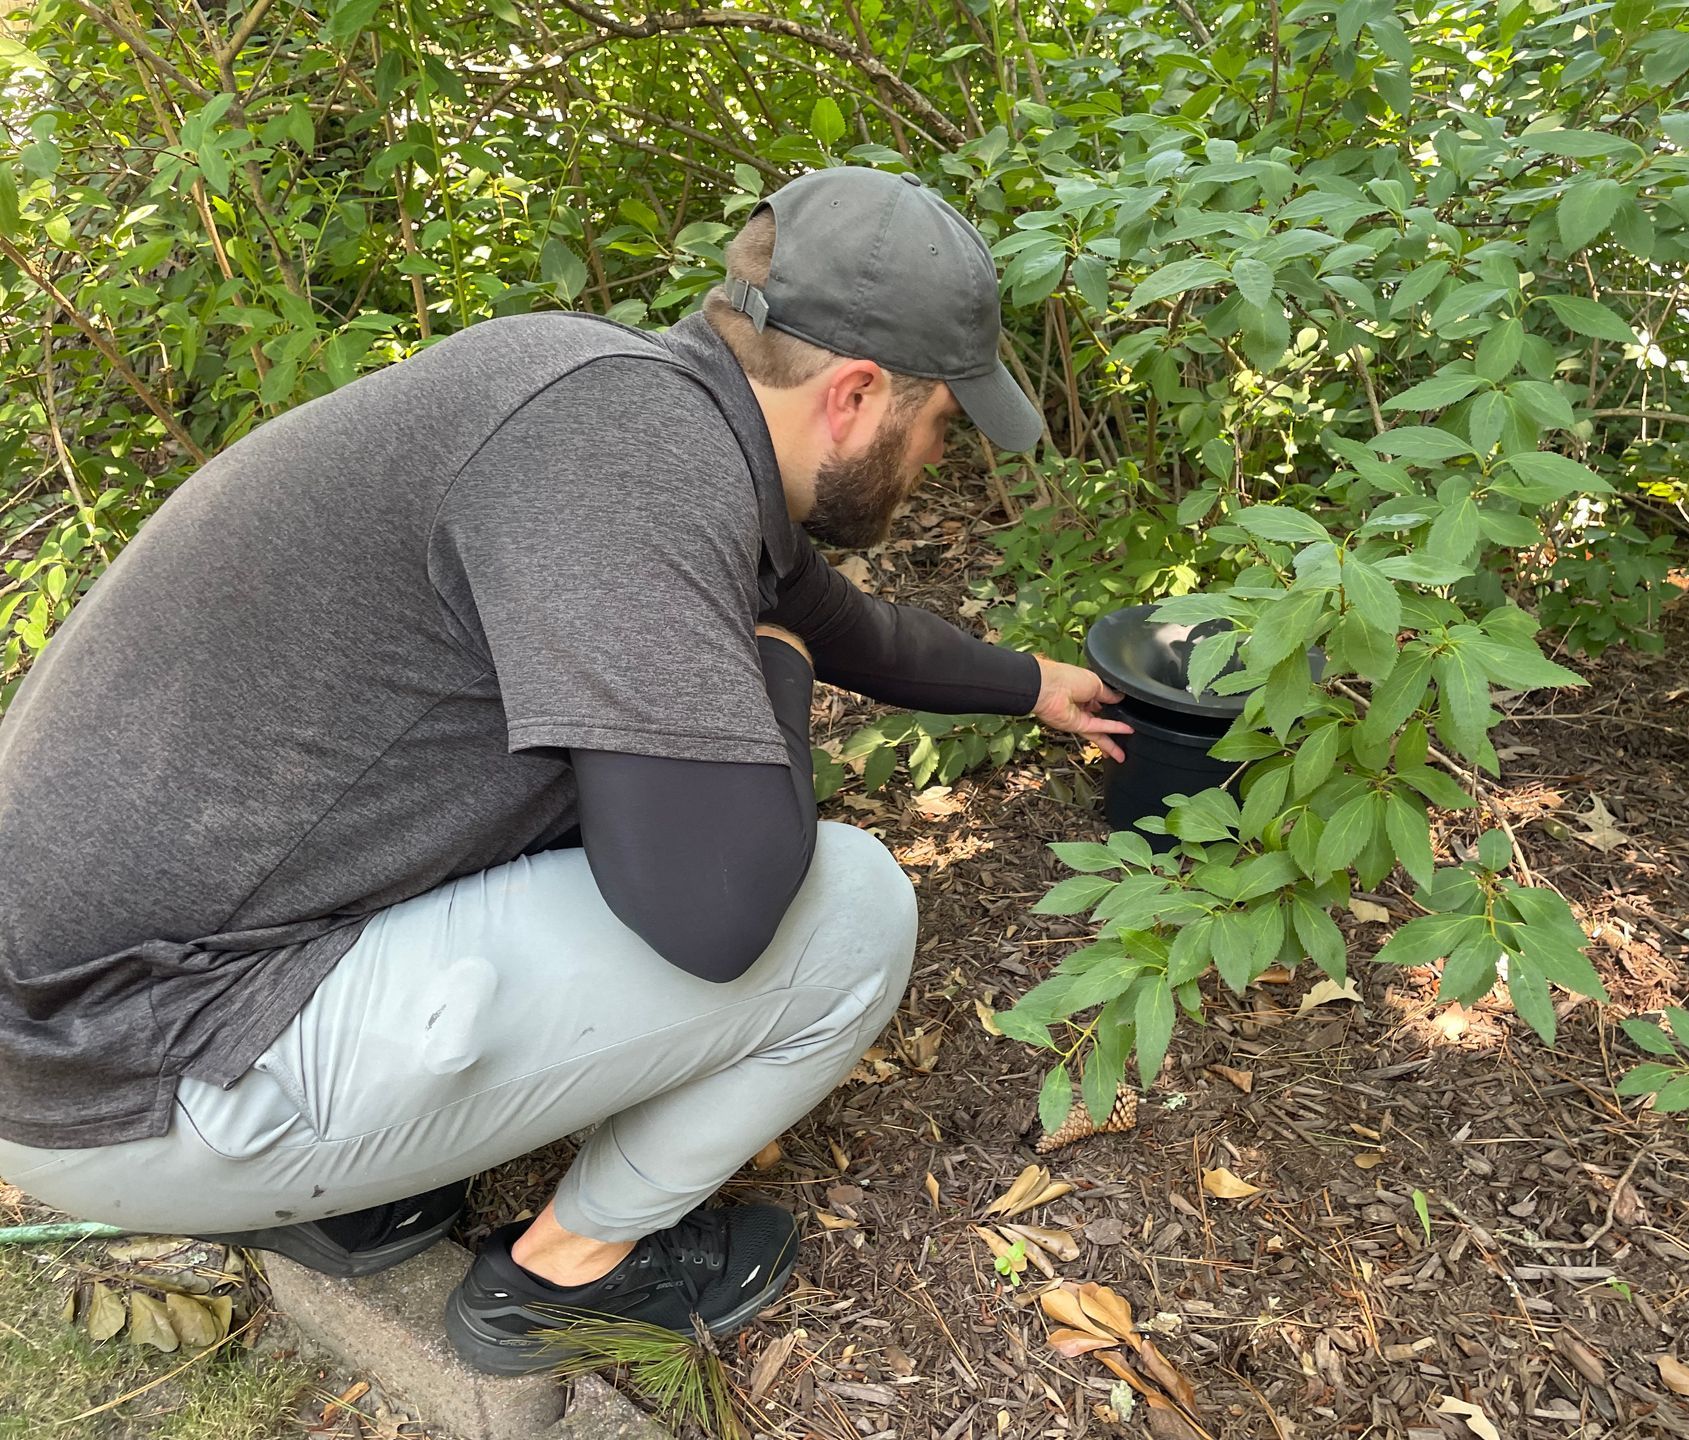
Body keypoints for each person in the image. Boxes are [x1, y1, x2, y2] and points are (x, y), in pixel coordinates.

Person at [0, 166, 1130, 1375]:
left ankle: (351, 1199)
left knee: (625, 778)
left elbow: (814, 602)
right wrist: (779, 665)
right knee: (848, 911)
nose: (938, 461)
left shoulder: (614, 395)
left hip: (96, 998)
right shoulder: (630, 475)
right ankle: (561, 1278)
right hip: (131, 1066)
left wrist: (1030, 684)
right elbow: (717, 913)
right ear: (857, 396)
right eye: (941, 426)